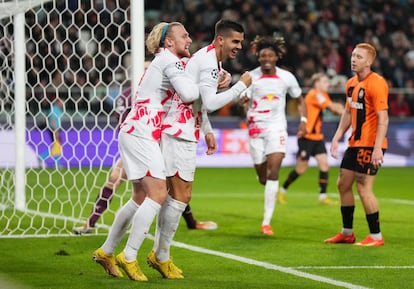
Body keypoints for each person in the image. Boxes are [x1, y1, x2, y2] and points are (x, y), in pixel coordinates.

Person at [92, 22, 201, 282]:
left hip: (137, 129)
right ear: (169, 42)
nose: (189, 39)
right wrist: (207, 86)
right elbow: (188, 94)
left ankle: (106, 251)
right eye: (184, 35)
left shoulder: (165, 61)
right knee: (159, 194)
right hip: (142, 131)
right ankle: (129, 256)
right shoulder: (169, 60)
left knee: (140, 197)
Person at [147, 19, 252, 279]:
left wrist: (206, 130)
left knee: (174, 196)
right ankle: (158, 256)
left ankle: (158, 254)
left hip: (181, 130)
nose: (239, 46)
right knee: (180, 196)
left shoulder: (210, 60)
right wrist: (241, 86)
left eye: (241, 41)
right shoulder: (208, 62)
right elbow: (212, 102)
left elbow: (200, 103)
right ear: (220, 40)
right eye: (235, 41)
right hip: (178, 132)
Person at [73, 67, 217, 235]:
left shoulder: (170, 93)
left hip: (162, 143)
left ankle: (191, 222)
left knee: (170, 184)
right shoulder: (127, 95)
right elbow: (121, 122)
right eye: (146, 69)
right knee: (116, 178)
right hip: (140, 142)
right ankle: (90, 223)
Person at [324, 43, 388, 247]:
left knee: (363, 188)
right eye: (353, 55)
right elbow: (347, 111)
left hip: (370, 145)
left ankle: (376, 236)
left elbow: (383, 118)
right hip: (354, 143)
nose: (354, 59)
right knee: (343, 185)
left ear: (369, 62)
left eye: (359, 57)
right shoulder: (351, 83)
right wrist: (337, 136)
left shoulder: (377, 83)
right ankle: (347, 233)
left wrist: (378, 148)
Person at [242, 36, 306, 236]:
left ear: (277, 57)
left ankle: (266, 222)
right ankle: (265, 178)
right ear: (258, 57)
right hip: (255, 129)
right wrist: (244, 104)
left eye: (270, 55)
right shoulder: (250, 77)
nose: (266, 58)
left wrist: (304, 121)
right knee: (264, 177)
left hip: (277, 128)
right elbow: (242, 99)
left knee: (273, 172)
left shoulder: (287, 77)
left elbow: (299, 99)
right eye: (263, 55)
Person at [279, 72, 344, 205]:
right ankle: (282, 190)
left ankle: (322, 197)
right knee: (301, 169)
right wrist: (349, 112)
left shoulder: (323, 95)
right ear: (317, 84)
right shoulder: (315, 94)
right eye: (325, 82)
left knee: (324, 165)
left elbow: (333, 109)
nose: (328, 84)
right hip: (306, 137)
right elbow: (333, 109)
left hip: (317, 137)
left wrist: (342, 109)